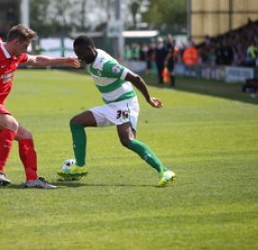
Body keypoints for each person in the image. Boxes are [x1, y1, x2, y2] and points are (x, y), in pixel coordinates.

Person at [0, 24, 80, 189]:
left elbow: (37, 59)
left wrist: (63, 60)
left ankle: (32, 179)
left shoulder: (16, 56)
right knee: (11, 124)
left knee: (26, 136)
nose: (26, 49)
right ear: (15, 42)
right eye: (25, 45)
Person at [57, 35, 176, 187]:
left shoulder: (106, 65)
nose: (79, 57)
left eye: (80, 54)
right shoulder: (89, 58)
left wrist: (148, 99)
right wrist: (69, 61)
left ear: (88, 49)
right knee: (76, 122)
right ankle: (80, 166)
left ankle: (163, 170)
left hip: (124, 104)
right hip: (111, 106)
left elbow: (136, 78)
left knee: (127, 139)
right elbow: (84, 63)